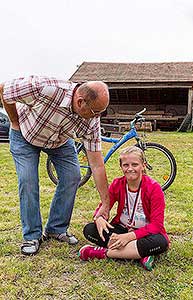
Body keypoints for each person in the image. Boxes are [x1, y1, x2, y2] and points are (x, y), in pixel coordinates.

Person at [0, 75, 110, 256]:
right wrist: (14, 121)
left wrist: (105, 203)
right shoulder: (45, 88)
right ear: (80, 102)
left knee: (73, 176)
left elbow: (97, 165)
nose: (97, 117)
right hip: (25, 134)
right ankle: (32, 235)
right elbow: (5, 89)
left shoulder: (91, 121)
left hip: (59, 141)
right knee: (28, 180)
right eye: (95, 112)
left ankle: (56, 229)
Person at [79, 146, 169, 271]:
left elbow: (156, 226)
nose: (130, 168)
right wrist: (98, 218)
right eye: (126, 165)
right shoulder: (117, 184)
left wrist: (129, 237)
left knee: (161, 242)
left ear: (143, 166)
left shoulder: (154, 188)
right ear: (121, 167)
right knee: (90, 230)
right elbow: (104, 206)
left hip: (144, 234)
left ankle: (101, 253)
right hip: (121, 229)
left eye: (135, 164)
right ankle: (140, 254)